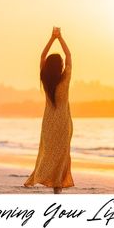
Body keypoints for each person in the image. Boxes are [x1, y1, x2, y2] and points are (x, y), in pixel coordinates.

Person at [24, 27, 74, 194]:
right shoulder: (65, 78)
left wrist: (52, 38)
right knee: (62, 154)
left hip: (48, 122)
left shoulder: (45, 78)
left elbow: (42, 57)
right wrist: (60, 38)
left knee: (48, 152)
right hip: (63, 122)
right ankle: (57, 185)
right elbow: (69, 56)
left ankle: (42, 177)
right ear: (60, 66)